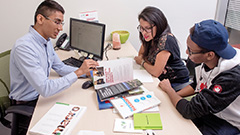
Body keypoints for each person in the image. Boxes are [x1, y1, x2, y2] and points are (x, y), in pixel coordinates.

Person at [9, 0, 98, 134]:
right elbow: (45, 88)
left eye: (61, 23)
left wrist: (87, 72)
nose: (61, 28)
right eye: (57, 22)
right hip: (28, 105)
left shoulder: (45, 41)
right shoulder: (24, 47)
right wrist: (78, 72)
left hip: (40, 96)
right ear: (40, 19)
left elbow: (60, 67)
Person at [159, 19, 240, 135]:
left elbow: (189, 110)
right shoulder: (207, 57)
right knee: (171, 119)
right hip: (210, 110)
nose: (186, 52)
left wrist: (169, 90)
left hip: (229, 121)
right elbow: (197, 84)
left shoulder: (232, 76)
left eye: (191, 51)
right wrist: (174, 95)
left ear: (209, 55)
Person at [134, 6, 189, 90]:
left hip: (176, 82)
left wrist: (142, 62)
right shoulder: (150, 36)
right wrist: (151, 65)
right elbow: (141, 54)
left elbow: (155, 72)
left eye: (147, 28)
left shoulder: (166, 40)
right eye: (141, 28)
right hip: (160, 79)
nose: (143, 32)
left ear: (158, 25)